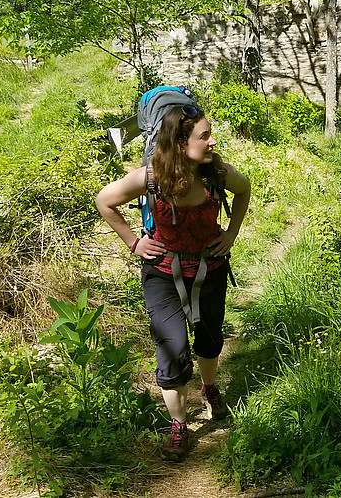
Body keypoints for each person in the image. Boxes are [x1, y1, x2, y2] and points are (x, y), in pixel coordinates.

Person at [95, 103, 250, 462]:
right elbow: (105, 201)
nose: (212, 142)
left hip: (210, 267)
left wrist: (231, 233)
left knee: (210, 335)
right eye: (204, 136)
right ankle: (179, 425)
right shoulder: (150, 178)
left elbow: (245, 191)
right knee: (173, 346)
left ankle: (210, 390)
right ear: (180, 144)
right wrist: (134, 242)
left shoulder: (217, 175)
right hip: (162, 272)